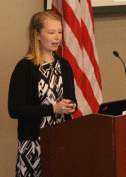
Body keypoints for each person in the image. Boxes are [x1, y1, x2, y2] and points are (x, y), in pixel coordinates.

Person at [8, 11, 77, 177]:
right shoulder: (24, 67)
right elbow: (15, 110)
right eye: (51, 33)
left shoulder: (64, 65)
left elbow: (72, 101)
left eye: (59, 32)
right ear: (38, 35)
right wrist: (53, 109)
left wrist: (70, 107)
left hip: (61, 141)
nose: (57, 38)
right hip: (33, 144)